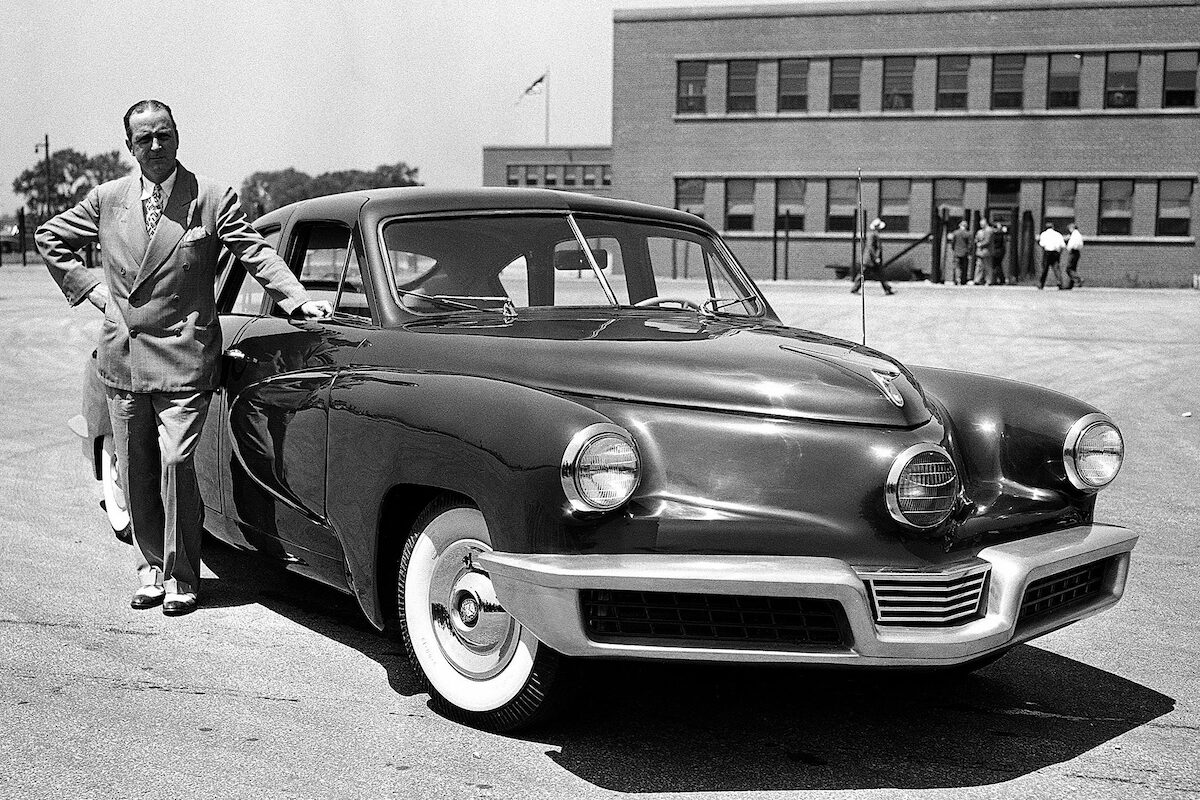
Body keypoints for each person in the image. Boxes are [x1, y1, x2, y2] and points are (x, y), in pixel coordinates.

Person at [37, 100, 332, 616]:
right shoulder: (107, 199)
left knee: (175, 461)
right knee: (136, 469)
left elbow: (254, 251)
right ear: (129, 146)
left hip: (184, 354)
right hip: (124, 355)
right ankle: (151, 568)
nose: (155, 146)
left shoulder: (211, 198)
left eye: (164, 135)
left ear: (178, 137)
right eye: (144, 138)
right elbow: (50, 237)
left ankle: (181, 575)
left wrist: (297, 297)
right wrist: (92, 289)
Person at [851, 218, 895, 295]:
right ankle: (855, 289)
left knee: (880, 274)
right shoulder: (872, 235)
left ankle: (888, 289)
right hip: (870, 260)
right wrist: (876, 258)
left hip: (871, 260)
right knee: (864, 274)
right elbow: (870, 247)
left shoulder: (874, 235)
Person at [1036, 221, 1067, 289]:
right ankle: (1059, 283)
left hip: (1047, 252)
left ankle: (1041, 284)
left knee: (1045, 269)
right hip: (1056, 252)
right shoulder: (1058, 234)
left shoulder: (1044, 234)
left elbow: (1042, 244)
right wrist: (1059, 253)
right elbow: (1062, 245)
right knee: (1056, 269)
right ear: (1053, 227)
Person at [949, 220, 972, 285]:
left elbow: (952, 243)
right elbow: (970, 244)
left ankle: (956, 279)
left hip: (956, 252)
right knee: (964, 267)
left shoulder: (955, 233)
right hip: (964, 252)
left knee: (956, 267)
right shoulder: (968, 234)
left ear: (960, 225)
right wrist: (969, 252)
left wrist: (954, 249)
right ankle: (963, 281)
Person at [972, 218, 994, 285]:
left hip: (986, 251)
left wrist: (980, 244)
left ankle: (988, 281)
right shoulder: (981, 231)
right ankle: (977, 280)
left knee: (987, 266)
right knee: (979, 266)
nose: (981, 225)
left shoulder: (988, 230)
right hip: (981, 252)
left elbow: (987, 241)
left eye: (982, 224)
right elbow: (976, 239)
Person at [1064, 222, 1084, 289]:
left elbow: (1071, 244)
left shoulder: (1074, 235)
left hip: (1073, 252)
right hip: (1077, 252)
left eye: (1069, 229)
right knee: (1073, 269)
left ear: (1072, 228)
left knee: (1068, 269)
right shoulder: (1078, 234)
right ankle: (1070, 285)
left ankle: (1078, 279)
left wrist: (1068, 247)